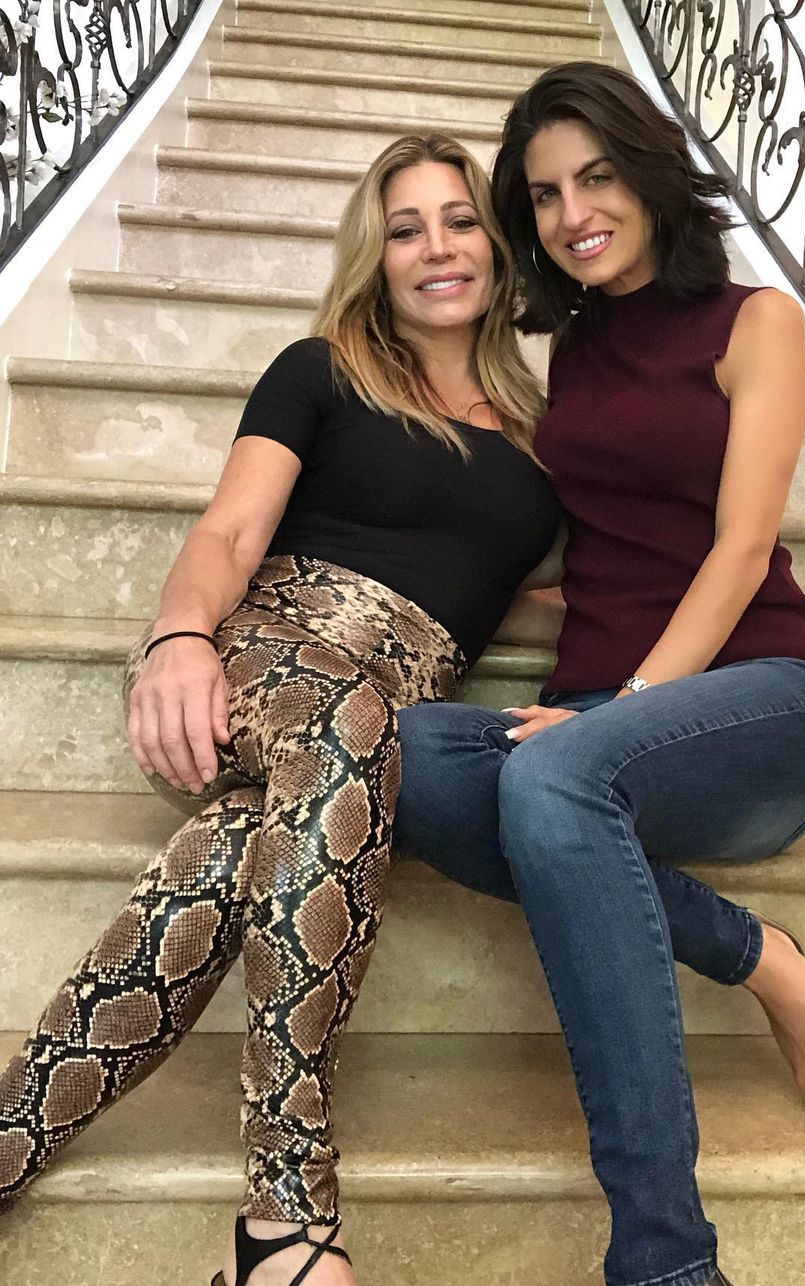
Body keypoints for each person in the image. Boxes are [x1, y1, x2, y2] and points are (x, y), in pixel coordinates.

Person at [393, 64, 805, 1286]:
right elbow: (604, 545)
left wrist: (618, 713)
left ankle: (665, 1257)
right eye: (542, 195)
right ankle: (759, 955)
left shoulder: (756, 322)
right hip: (603, 723)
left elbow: (737, 550)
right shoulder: (570, 353)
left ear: (648, 173)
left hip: (762, 701)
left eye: (596, 177)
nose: (573, 213)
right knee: (400, 751)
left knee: (553, 781)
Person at [0, 134, 561, 1286]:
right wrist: (179, 638)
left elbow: (529, 585)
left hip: (371, 720)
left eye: (460, 220)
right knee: (346, 726)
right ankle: (286, 1202)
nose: (437, 247)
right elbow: (229, 531)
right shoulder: (322, 371)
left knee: (232, 851)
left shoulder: (544, 435)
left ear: (499, 248)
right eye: (405, 229)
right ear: (376, 256)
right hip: (258, 652)